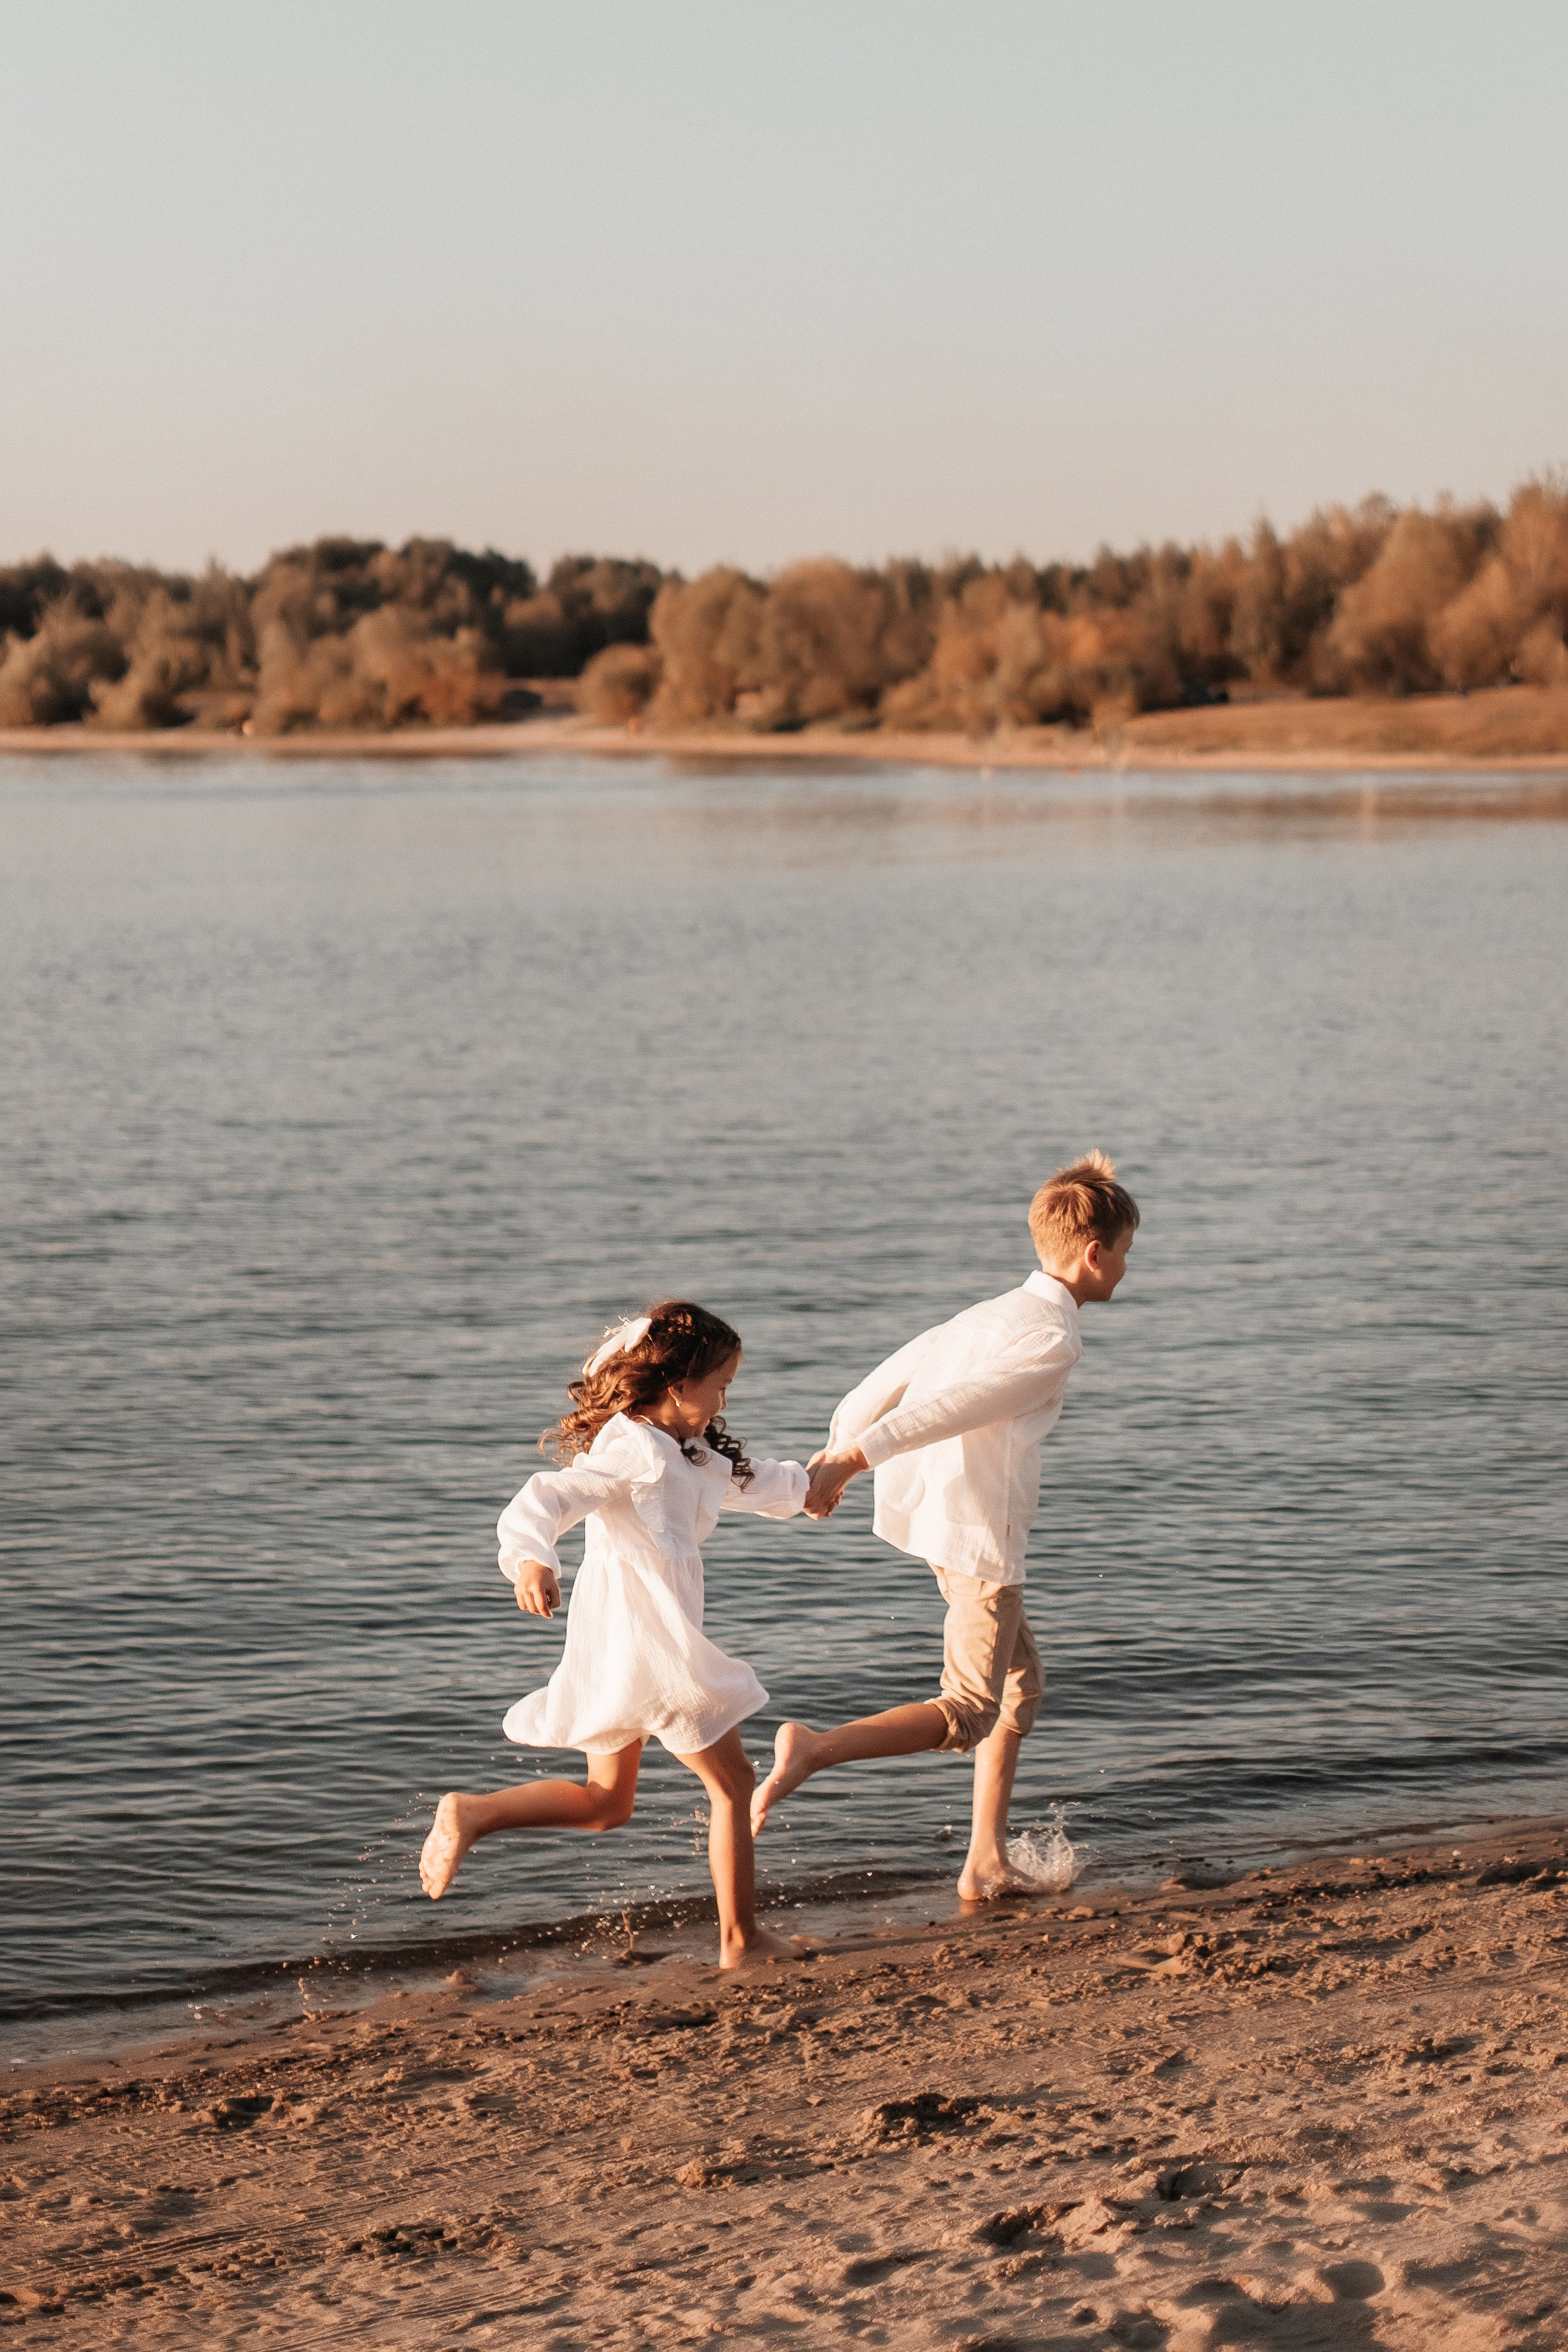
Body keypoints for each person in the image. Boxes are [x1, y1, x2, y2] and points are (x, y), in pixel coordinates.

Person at [750, 1153, 1139, 1900]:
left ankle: (985, 1857)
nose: (1126, 1267)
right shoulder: (1054, 1339)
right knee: (968, 1710)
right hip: (977, 1533)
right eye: (1124, 1252)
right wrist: (849, 1460)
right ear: (1095, 1254)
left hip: (933, 1515)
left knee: (1021, 1686)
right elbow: (955, 1406)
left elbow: (883, 1381)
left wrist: (837, 1447)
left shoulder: (990, 1312)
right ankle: (814, 1749)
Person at [419, 1300, 810, 1968]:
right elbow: (549, 1496)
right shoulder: (634, 1447)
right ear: (678, 1385)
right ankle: (741, 1941)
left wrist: (820, 1483)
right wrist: (533, 1559)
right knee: (733, 1784)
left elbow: (759, 1483)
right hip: (650, 1639)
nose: (725, 1401)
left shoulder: (686, 1449)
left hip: (624, 1641)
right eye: (721, 1386)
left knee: (606, 1804)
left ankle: (475, 1813)